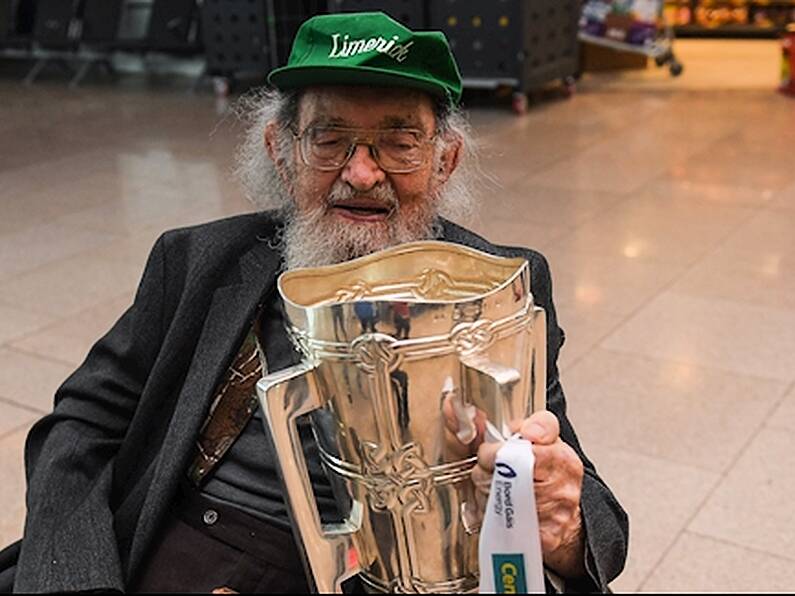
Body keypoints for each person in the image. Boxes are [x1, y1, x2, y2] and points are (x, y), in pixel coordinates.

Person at [1, 11, 628, 594]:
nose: (361, 172)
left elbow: (591, 514)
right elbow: (80, 425)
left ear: (445, 160)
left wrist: (563, 527)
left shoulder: (497, 287)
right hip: (191, 541)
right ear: (281, 151)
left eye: (399, 141)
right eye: (328, 140)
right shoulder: (197, 261)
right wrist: (75, 579)